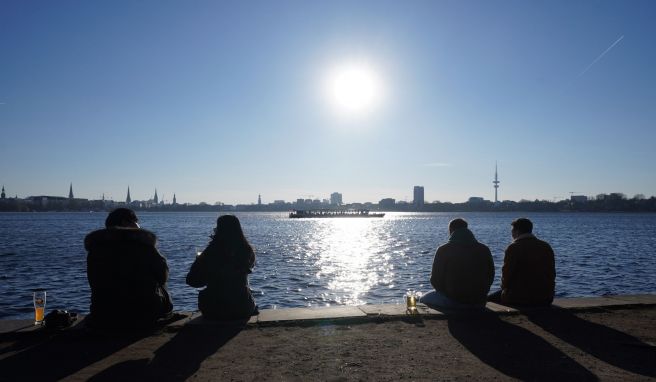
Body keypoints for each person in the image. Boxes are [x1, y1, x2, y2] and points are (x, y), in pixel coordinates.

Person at [85, 208, 173, 329]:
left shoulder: (95, 249)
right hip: (144, 313)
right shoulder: (144, 246)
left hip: (104, 314)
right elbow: (163, 277)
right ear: (125, 222)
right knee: (160, 282)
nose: (139, 225)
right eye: (136, 221)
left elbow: (93, 281)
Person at [186, 215, 257, 320]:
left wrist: (199, 260)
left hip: (215, 308)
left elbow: (193, 281)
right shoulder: (247, 251)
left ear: (218, 230)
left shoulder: (211, 252)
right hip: (242, 307)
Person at [420, 218, 495, 309]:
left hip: (454, 301)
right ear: (466, 229)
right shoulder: (484, 249)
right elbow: (491, 275)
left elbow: (435, 280)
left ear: (451, 230)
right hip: (479, 300)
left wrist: (448, 293)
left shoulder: (444, 250)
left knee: (422, 299)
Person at [488, 218, 556, 306]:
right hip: (545, 296)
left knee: (487, 300)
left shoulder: (514, 247)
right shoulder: (546, 246)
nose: (511, 234)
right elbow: (552, 273)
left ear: (516, 231)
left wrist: (504, 289)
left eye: (512, 231)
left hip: (519, 298)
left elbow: (507, 275)